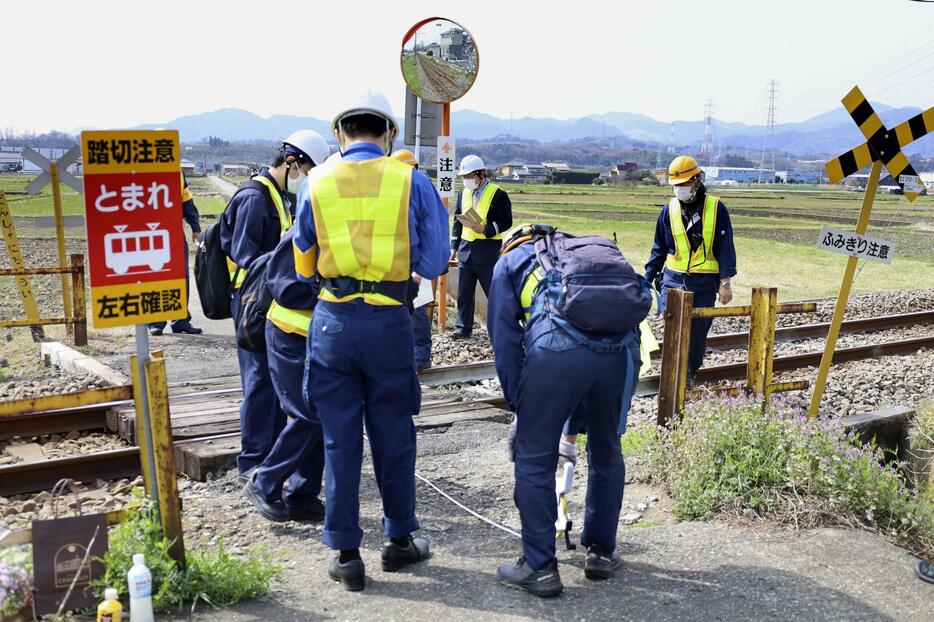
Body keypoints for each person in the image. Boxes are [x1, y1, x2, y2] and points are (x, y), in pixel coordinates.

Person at [293, 92, 449, 591]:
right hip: (388, 322)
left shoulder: (314, 182)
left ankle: (345, 553)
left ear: (339, 134)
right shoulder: (411, 180)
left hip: (333, 323)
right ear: (387, 134)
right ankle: (400, 540)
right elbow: (435, 261)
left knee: (339, 440)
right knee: (394, 435)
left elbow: (302, 260)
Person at [489, 224, 643, 597]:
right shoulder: (579, 250)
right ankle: (602, 553)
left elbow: (506, 342)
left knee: (534, 457)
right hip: (621, 352)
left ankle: (540, 568)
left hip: (556, 352)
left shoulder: (507, 264)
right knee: (607, 450)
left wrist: (521, 409)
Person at [220, 129, 330, 478]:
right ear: (291, 162)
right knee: (258, 385)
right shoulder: (255, 198)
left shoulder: (278, 195)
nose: (307, 179)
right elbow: (244, 254)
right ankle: (252, 461)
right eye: (307, 170)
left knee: (275, 384)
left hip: (268, 297)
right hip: (252, 300)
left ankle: (270, 458)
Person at [242, 226, 327, 523]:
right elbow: (287, 288)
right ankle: (263, 482)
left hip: (318, 337)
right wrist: (333, 293)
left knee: (320, 414)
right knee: (310, 414)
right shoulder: (304, 231)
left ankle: (303, 496)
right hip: (289, 334)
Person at [644, 155, 737, 387]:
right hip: (672, 281)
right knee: (672, 328)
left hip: (704, 284)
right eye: (676, 186)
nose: (680, 190)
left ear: (697, 180)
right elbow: (659, 247)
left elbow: (725, 248)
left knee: (696, 334)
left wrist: (725, 283)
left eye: (684, 184)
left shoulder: (716, 208)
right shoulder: (669, 210)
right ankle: (673, 373)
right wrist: (646, 280)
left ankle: (689, 372)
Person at [450, 155, 512, 340]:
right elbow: (457, 221)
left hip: (487, 252)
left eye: (469, 176)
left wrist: (485, 229)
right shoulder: (463, 194)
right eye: (464, 177)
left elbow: (506, 222)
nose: (466, 180)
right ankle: (463, 327)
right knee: (464, 294)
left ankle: (500, 329)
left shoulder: (498, 194)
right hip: (466, 252)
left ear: (480, 174)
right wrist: (454, 246)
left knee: (494, 294)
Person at [391, 148, 432, 371]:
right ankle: (412, 353)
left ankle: (420, 355)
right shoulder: (399, 193)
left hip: (414, 260)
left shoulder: (418, 192)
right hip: (399, 260)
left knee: (417, 308)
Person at [149, 171, 203, 336]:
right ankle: (155, 322)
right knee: (156, 276)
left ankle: (180, 320)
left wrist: (195, 226)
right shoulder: (139, 165)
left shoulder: (176, 169)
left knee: (180, 276)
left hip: (173, 231)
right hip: (149, 232)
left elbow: (185, 199)